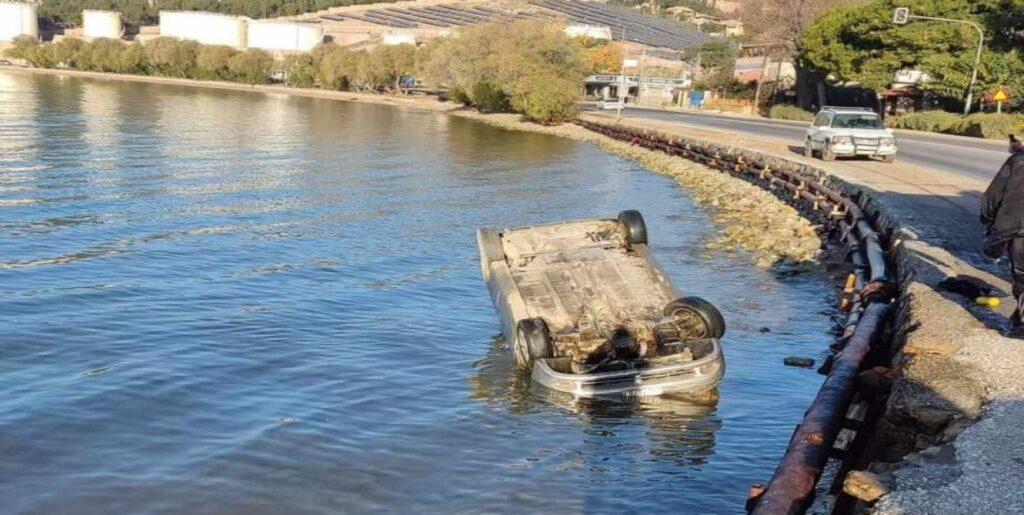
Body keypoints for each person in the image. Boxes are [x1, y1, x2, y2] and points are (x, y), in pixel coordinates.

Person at [981, 134, 1024, 334]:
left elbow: (993, 196)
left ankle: (1021, 327)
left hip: (1018, 229)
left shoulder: (1017, 161)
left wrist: (989, 220)